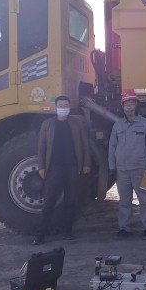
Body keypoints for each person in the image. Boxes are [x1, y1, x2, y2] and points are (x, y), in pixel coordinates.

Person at [35, 95, 92, 245]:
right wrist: (41, 167)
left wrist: (86, 163)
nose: (63, 108)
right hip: (54, 168)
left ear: (69, 107)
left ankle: (67, 231)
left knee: (71, 200)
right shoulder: (47, 124)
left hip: (72, 167)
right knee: (49, 201)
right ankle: (40, 234)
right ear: (55, 108)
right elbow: (41, 147)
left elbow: (85, 144)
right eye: (60, 106)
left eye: (66, 106)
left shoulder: (76, 124)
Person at [108, 92, 146, 238]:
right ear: (122, 107)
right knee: (124, 201)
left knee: (145, 199)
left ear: (137, 106)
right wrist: (112, 167)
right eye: (126, 105)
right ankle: (124, 228)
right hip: (122, 170)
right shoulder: (117, 125)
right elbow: (112, 147)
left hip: (143, 169)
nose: (129, 108)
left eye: (132, 104)